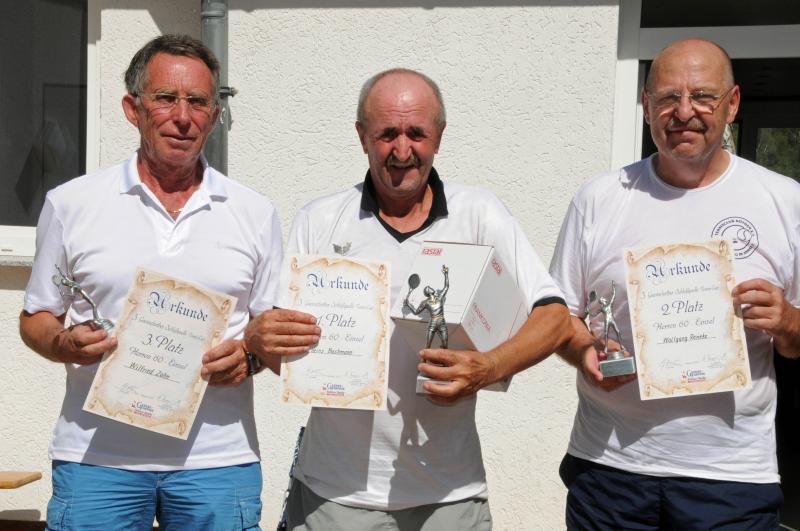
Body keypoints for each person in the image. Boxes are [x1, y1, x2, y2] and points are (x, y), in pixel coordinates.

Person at [243, 68, 571, 530]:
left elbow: (554, 317)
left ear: (439, 135)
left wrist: (490, 366)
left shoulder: (479, 213)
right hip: (335, 494)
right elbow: (289, 360)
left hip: (450, 495)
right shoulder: (320, 219)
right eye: (387, 134)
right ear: (362, 136)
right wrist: (262, 342)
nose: (402, 150)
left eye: (416, 133)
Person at [20, 34, 285, 530]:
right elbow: (36, 315)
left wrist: (249, 358)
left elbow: (268, 330)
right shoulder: (72, 203)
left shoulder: (254, 212)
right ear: (133, 109)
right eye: (165, 98)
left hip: (217, 460)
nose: (183, 117)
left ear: (214, 115)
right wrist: (63, 343)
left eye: (198, 102)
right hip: (97, 458)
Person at [550, 38, 800, 530]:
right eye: (668, 97)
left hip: (731, 475)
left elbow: (797, 336)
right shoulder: (598, 199)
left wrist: (789, 321)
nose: (684, 112)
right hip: (610, 466)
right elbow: (559, 315)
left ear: (732, 104)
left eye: (703, 96)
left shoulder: (784, 200)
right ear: (646, 106)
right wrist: (583, 351)